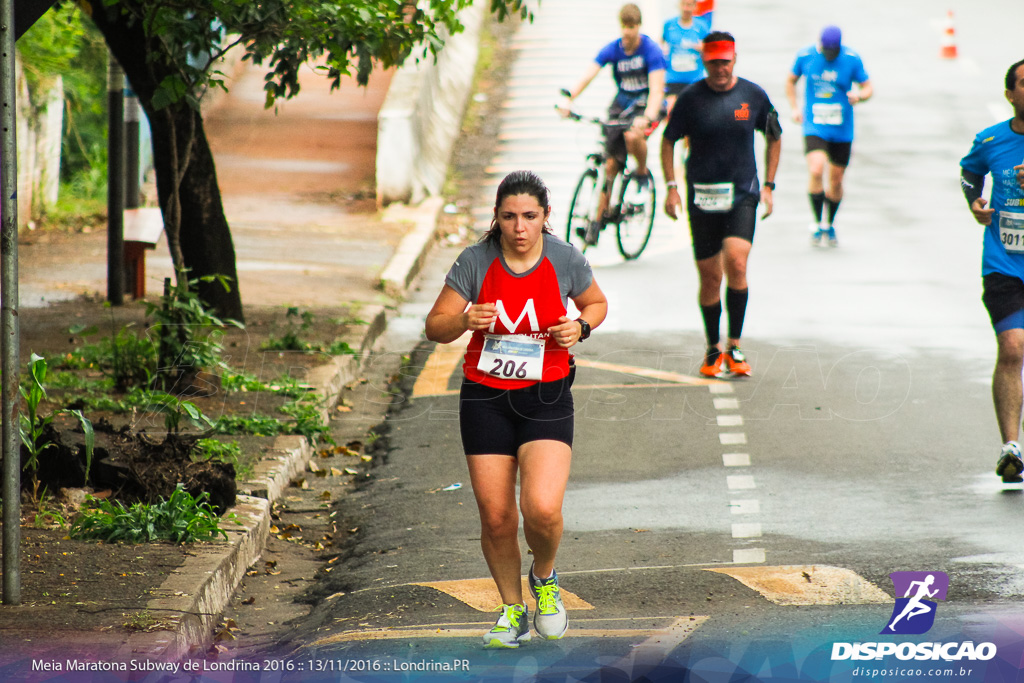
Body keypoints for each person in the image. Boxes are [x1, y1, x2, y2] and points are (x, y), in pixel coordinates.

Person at [425, 171, 608, 648]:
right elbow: (435, 326)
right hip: (485, 398)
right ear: (497, 219)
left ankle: (544, 579)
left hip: (546, 396)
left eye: (529, 216)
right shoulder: (475, 260)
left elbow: (596, 303)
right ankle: (511, 609)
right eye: (509, 217)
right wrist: (464, 320)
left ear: (545, 216)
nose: (519, 227)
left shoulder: (565, 258)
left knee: (542, 510)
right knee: (497, 516)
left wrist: (580, 327)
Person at [659, 31, 781, 378]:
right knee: (710, 277)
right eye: (713, 63)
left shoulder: (753, 96)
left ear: (734, 60)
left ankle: (735, 345)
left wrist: (769, 186)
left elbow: (775, 136)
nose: (720, 69)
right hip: (702, 198)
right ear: (704, 62)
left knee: (737, 264)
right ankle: (713, 348)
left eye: (725, 62)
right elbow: (668, 142)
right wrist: (672, 188)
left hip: (743, 194)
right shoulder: (690, 100)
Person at [959, 57, 1024, 484]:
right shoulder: (991, 140)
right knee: (1014, 349)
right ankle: (1011, 449)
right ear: (1010, 94)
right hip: (1003, 263)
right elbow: (968, 174)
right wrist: (975, 204)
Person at [560, 3, 666, 245]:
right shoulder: (613, 49)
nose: (628, 32)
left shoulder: (650, 50)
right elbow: (590, 73)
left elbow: (657, 89)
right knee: (609, 166)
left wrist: (647, 116)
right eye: (625, 27)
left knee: (632, 136)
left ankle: (640, 173)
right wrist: (569, 99)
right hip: (622, 104)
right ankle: (595, 223)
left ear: (639, 27)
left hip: (644, 106)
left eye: (632, 27)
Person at [785, 25, 872, 247]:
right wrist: (795, 108)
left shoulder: (852, 58)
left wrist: (860, 96)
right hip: (815, 126)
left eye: (833, 52)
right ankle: (816, 221)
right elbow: (790, 81)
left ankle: (828, 224)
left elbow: (868, 86)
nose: (829, 55)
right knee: (816, 169)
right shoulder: (805, 56)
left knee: (836, 180)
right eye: (826, 51)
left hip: (842, 129)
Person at [661, 0, 711, 117]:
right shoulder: (669, 25)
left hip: (694, 79)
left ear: (694, 7)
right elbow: (661, 44)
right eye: (684, 4)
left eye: (689, 5)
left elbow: (710, 50)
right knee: (670, 113)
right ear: (679, 5)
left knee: (694, 115)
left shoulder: (702, 26)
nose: (686, 8)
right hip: (673, 78)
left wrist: (702, 48)